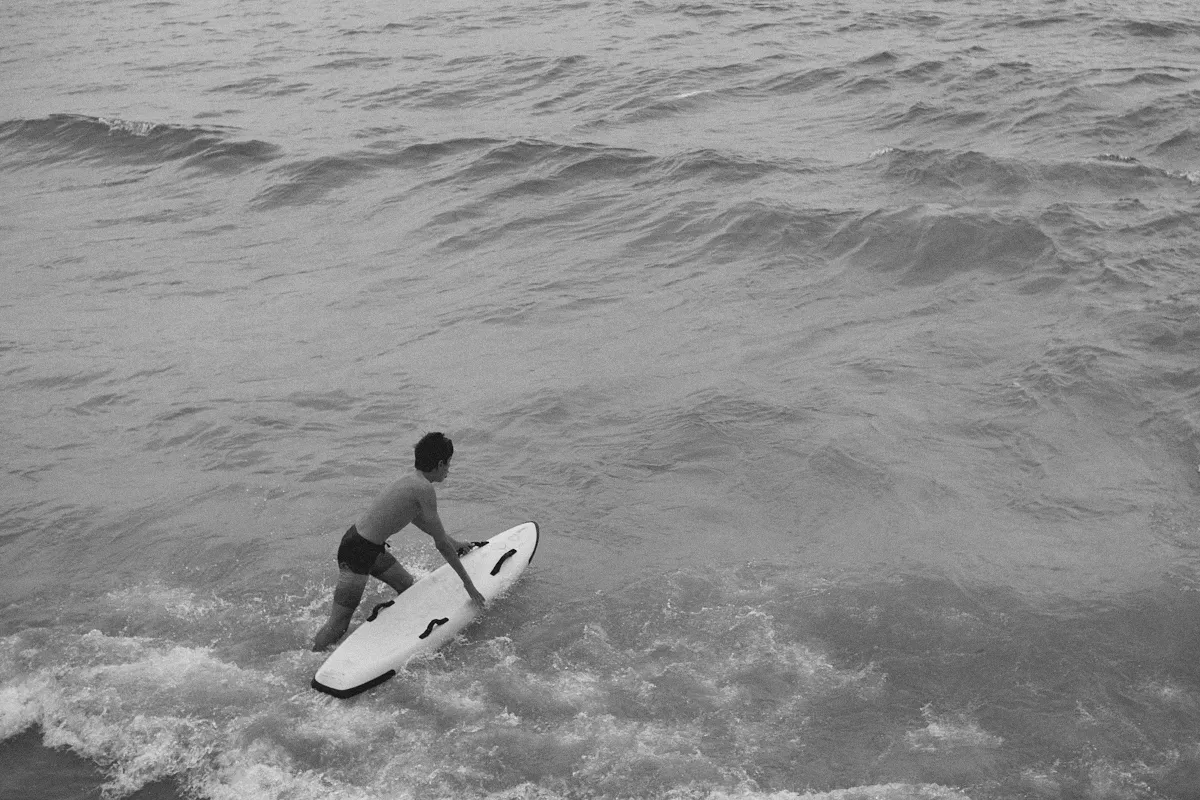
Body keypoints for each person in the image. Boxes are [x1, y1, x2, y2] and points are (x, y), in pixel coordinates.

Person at [312, 432, 486, 651]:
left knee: (405, 584)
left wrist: (455, 542)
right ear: (441, 463)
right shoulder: (424, 489)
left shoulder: (412, 481)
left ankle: (404, 639)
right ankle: (311, 664)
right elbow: (440, 545)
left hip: (367, 546)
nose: (449, 469)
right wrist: (468, 585)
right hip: (357, 552)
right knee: (338, 624)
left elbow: (420, 521)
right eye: (449, 464)